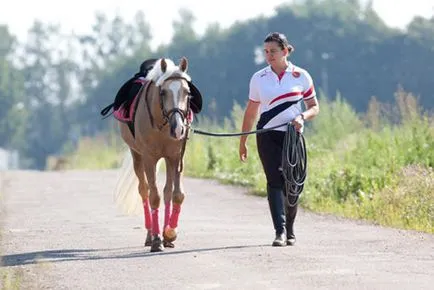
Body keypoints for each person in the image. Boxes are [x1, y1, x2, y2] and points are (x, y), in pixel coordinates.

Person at [239, 32, 320, 247]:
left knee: (292, 183)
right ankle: (280, 232)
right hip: (267, 135)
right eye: (266, 52)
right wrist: (243, 140)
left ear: (285, 51)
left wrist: (302, 117)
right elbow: (251, 111)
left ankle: (291, 229)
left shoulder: (301, 76)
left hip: (292, 136)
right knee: (274, 181)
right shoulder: (259, 78)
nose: (269, 55)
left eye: (273, 51)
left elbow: (314, 107)